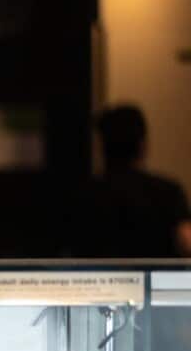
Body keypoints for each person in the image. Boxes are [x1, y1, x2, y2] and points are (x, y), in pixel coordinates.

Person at [80, 104, 191, 257]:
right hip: (155, 280)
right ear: (142, 145)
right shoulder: (168, 192)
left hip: (98, 280)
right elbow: (186, 244)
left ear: (102, 147)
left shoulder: (85, 195)